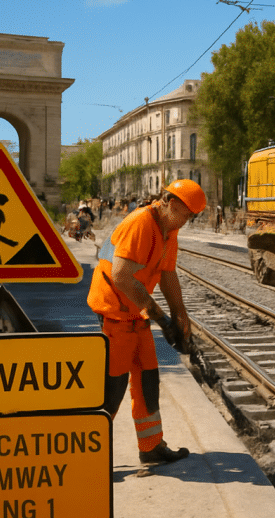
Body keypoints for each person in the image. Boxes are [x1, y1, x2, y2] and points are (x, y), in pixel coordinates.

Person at [87, 179, 207, 466]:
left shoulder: (169, 228)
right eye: (185, 214)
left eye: (191, 217)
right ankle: (91, 456)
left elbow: (167, 275)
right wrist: (161, 317)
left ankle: (151, 446)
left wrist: (181, 317)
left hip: (134, 312)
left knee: (148, 377)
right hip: (114, 311)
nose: (186, 222)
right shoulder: (140, 223)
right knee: (113, 386)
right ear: (170, 202)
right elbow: (122, 276)